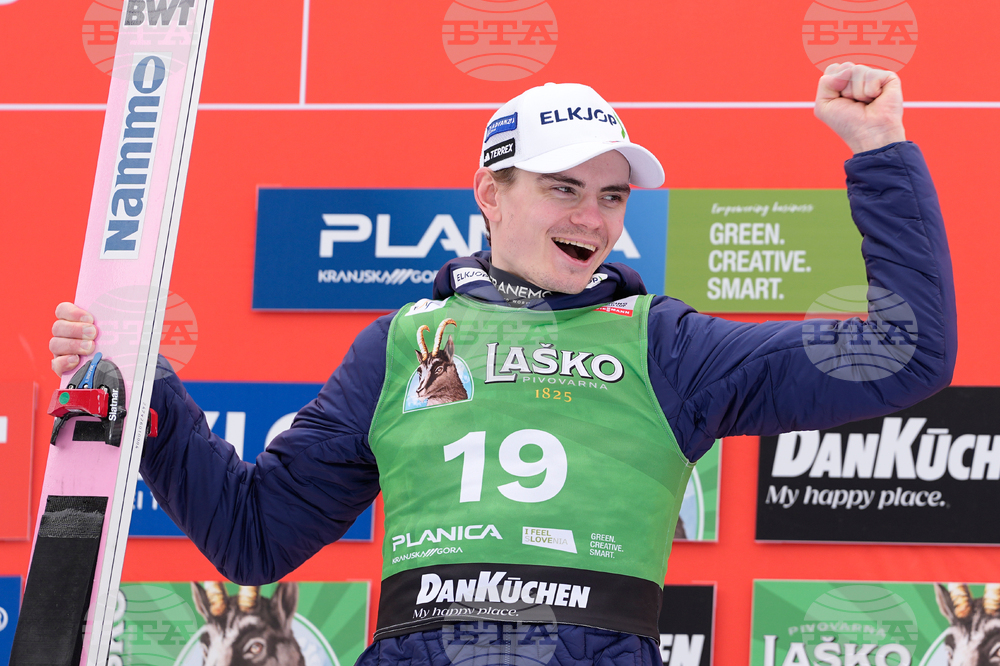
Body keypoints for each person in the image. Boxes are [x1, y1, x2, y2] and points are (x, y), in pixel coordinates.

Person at [50, 63, 956, 666]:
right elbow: (256, 535)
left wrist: (880, 150)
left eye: (611, 195)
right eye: (564, 189)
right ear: (491, 192)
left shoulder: (669, 344)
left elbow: (905, 349)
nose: (593, 219)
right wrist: (144, 386)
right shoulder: (401, 344)